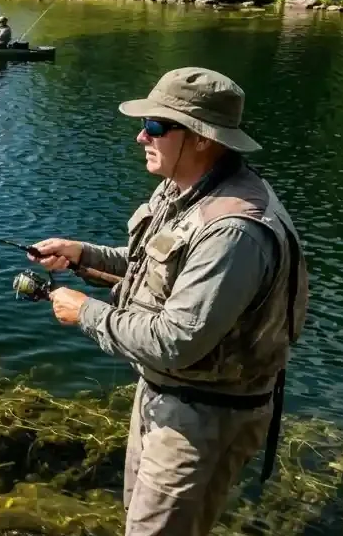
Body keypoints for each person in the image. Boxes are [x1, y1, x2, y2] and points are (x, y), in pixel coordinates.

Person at [30, 67, 309, 536]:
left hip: (205, 417)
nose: (141, 136)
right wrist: (82, 255)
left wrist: (85, 312)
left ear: (201, 138)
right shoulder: (183, 186)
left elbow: (175, 341)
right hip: (165, 395)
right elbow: (152, 265)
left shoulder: (235, 233)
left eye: (156, 126)